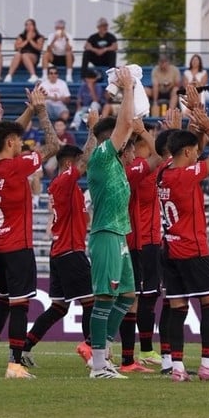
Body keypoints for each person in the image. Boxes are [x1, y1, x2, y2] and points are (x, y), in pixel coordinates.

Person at [0, 86, 59, 379]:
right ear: (11, 142)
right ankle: (14, 363)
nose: (22, 145)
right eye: (19, 141)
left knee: (2, 299)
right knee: (20, 304)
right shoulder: (16, 166)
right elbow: (54, 145)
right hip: (16, 244)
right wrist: (39, 110)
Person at [156, 104, 209, 382]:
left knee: (178, 310)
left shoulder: (163, 172)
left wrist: (192, 121)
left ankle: (177, 368)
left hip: (169, 250)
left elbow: (191, 149)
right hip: (194, 250)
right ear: (188, 154)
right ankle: (207, 363)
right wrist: (208, 126)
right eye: (194, 151)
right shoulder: (185, 175)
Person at [21, 137, 98, 368]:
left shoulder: (69, 187)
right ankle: (92, 353)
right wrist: (93, 131)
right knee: (90, 302)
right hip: (70, 251)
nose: (82, 169)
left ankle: (25, 347)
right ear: (68, 165)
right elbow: (84, 160)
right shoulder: (64, 181)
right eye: (77, 165)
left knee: (59, 307)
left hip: (61, 250)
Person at [84, 66, 138, 379]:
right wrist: (127, 87)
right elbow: (126, 122)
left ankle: (103, 351)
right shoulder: (104, 157)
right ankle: (98, 365)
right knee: (105, 296)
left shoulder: (115, 164)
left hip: (120, 234)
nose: (131, 150)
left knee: (127, 294)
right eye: (127, 143)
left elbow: (131, 123)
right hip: (105, 233)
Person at [120, 119, 165, 373]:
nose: (153, 141)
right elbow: (160, 155)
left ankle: (141, 352)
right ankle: (139, 351)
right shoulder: (138, 167)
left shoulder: (149, 167)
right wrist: (145, 132)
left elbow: (172, 157)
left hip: (150, 241)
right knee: (135, 299)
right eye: (148, 138)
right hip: (139, 241)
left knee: (145, 297)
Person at [4, 18, 44, 83]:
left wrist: (31, 40)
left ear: (34, 26)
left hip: (33, 57)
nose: (28, 26)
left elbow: (39, 48)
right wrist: (27, 40)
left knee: (25, 55)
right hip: (21, 57)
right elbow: (16, 47)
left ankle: (33, 75)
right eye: (27, 25)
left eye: (30, 25)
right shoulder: (21, 36)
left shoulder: (39, 37)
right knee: (18, 54)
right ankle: (9, 75)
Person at [42, 19, 75, 83]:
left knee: (69, 53)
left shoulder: (69, 36)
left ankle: (69, 76)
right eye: (58, 28)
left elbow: (69, 49)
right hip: (54, 57)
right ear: (55, 28)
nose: (59, 29)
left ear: (64, 28)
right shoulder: (51, 35)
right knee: (46, 54)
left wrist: (66, 39)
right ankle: (45, 76)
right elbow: (48, 49)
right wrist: (54, 40)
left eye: (61, 28)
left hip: (66, 58)